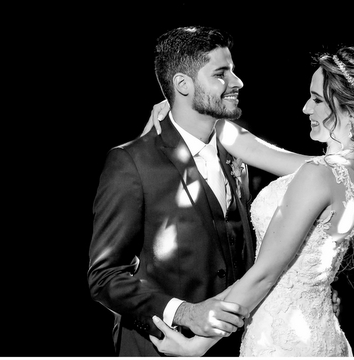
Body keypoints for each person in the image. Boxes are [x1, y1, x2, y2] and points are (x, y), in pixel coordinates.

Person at [143, 44, 354, 356]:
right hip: (320, 336)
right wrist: (189, 109)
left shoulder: (320, 175)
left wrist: (196, 345)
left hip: (282, 344)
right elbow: (255, 150)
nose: (305, 108)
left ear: (351, 110)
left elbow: (264, 276)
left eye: (317, 99)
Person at [88, 26, 271, 356]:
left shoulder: (238, 153)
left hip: (236, 346)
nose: (238, 82)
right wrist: (184, 312)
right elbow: (105, 277)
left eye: (233, 70)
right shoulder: (131, 162)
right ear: (183, 85)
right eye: (221, 73)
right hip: (159, 348)